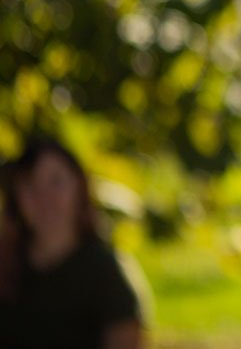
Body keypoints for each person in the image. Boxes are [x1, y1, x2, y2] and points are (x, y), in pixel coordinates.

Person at [0, 137, 142, 349]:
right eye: (30, 184)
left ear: (79, 187)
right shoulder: (6, 266)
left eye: (56, 182)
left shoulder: (105, 273)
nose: (44, 197)